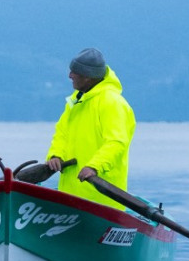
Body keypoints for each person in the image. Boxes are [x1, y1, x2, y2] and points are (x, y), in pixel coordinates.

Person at [46, 48, 135, 209]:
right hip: (70, 196)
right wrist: (55, 155)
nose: (69, 76)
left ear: (87, 76)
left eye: (74, 72)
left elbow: (116, 143)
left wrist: (94, 166)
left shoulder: (112, 103)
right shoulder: (76, 101)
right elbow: (62, 134)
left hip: (102, 201)